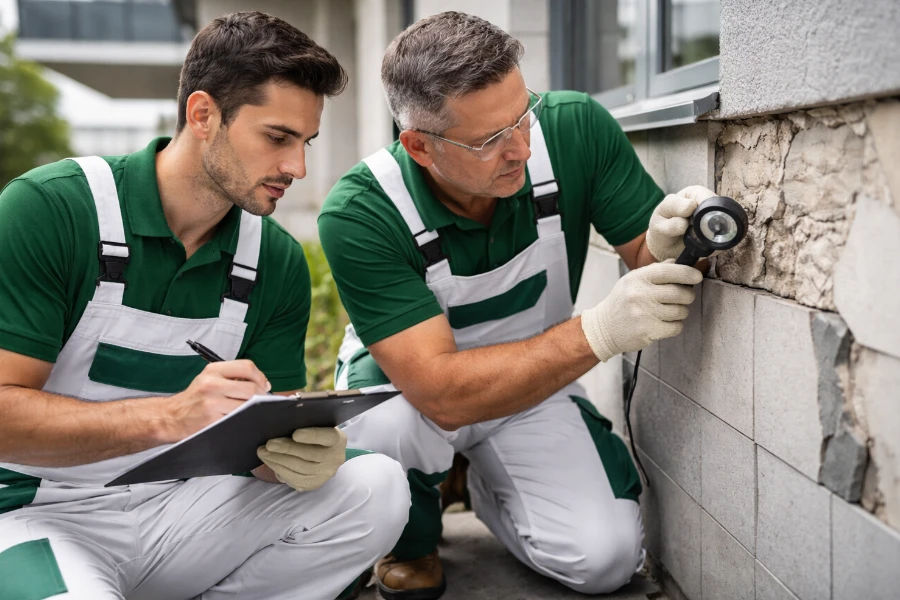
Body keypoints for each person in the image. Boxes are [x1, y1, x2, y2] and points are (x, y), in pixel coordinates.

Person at [0, 12, 409, 600]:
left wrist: (297, 456)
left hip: (180, 510)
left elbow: (259, 445)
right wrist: (169, 417)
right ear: (203, 115)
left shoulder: (274, 260)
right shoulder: (53, 210)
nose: (297, 168)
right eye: (277, 137)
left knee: (377, 484)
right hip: (38, 514)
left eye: (305, 142)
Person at [318, 11, 715, 600]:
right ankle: (412, 542)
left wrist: (673, 242)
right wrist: (600, 332)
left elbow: (651, 263)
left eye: (522, 115)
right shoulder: (361, 212)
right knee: (387, 421)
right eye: (488, 141)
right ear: (419, 146)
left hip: (532, 388)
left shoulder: (575, 127)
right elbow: (441, 392)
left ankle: (480, 483)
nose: (522, 149)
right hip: (417, 397)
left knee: (604, 560)